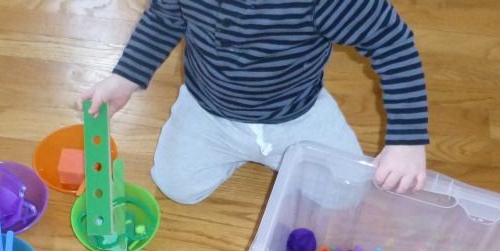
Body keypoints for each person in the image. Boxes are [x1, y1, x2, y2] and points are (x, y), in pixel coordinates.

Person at [79, 0, 429, 203]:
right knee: (176, 187)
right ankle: (244, 153)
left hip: (297, 115)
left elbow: (391, 44)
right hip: (208, 109)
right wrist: (125, 78)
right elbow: (164, 18)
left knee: (347, 194)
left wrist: (407, 140)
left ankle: (270, 154)